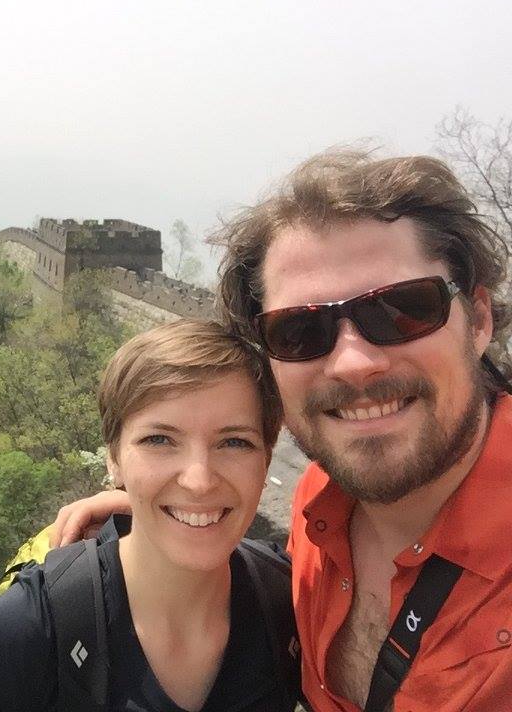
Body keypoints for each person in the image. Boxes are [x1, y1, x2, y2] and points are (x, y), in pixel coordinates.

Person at [49, 149, 512, 712]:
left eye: (402, 309)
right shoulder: (319, 505)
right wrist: (163, 510)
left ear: (479, 320)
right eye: (300, 331)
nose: (353, 363)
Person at [0, 319, 301, 711]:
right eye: (159, 440)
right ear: (114, 458)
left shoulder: (289, 599)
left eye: (234, 442)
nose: (199, 481)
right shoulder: (34, 627)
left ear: (266, 460)